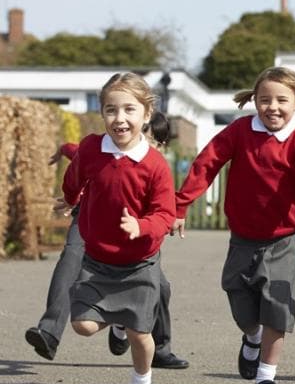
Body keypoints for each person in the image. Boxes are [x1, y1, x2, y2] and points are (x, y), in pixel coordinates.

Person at [171, 66, 295, 384]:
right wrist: (180, 205)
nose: (272, 107)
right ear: (254, 101)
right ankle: (252, 338)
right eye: (265, 100)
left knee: (277, 307)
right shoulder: (240, 131)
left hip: (283, 240)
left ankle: (267, 379)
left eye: (281, 100)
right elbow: (206, 164)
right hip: (243, 238)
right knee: (242, 307)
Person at [24, 126, 189, 369]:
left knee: (161, 287)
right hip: (92, 219)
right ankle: (49, 330)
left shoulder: (152, 164)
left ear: (160, 144)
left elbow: (163, 211)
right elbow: (77, 153)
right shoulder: (102, 149)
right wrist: (63, 152)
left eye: (153, 140)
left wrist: (152, 224)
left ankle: (159, 348)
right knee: (71, 259)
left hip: (135, 230)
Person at [61, 72, 176, 384]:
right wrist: (69, 197)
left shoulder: (154, 164)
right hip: (97, 260)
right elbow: (75, 176)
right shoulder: (92, 148)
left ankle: (141, 383)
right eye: (111, 110)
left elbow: (165, 213)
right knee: (82, 325)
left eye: (129, 110)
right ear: (102, 113)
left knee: (141, 332)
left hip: (139, 262)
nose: (120, 118)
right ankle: (118, 321)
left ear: (146, 114)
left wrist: (140, 226)